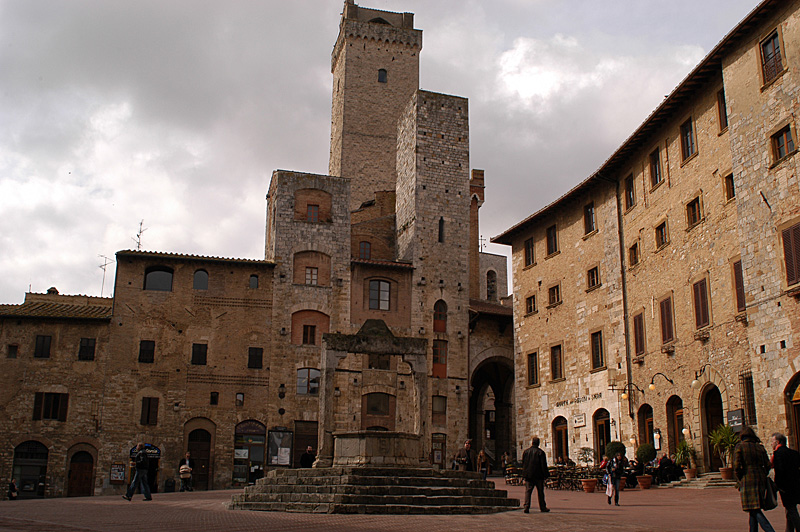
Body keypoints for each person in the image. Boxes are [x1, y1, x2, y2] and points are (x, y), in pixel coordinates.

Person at [733, 426, 775, 532]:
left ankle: (770, 530)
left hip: (747, 480)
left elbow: (737, 466)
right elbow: (768, 464)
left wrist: (740, 478)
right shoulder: (759, 447)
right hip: (760, 479)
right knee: (753, 508)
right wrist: (763, 474)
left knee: (755, 509)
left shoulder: (740, 447)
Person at [770, 432, 800, 531]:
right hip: (795, 484)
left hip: (785, 486)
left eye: (772, 441)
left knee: (791, 509)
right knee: (790, 508)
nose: (771, 444)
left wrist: (777, 485)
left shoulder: (778, 454)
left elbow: (779, 471)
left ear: (777, 442)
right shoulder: (794, 453)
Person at [521, 436, 550, 513]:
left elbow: (524, 464)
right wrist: (546, 475)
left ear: (532, 443)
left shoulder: (526, 452)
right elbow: (543, 465)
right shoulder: (540, 452)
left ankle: (526, 506)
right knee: (540, 492)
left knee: (528, 491)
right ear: (538, 443)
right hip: (538, 475)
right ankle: (542, 507)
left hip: (529, 475)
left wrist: (524, 475)